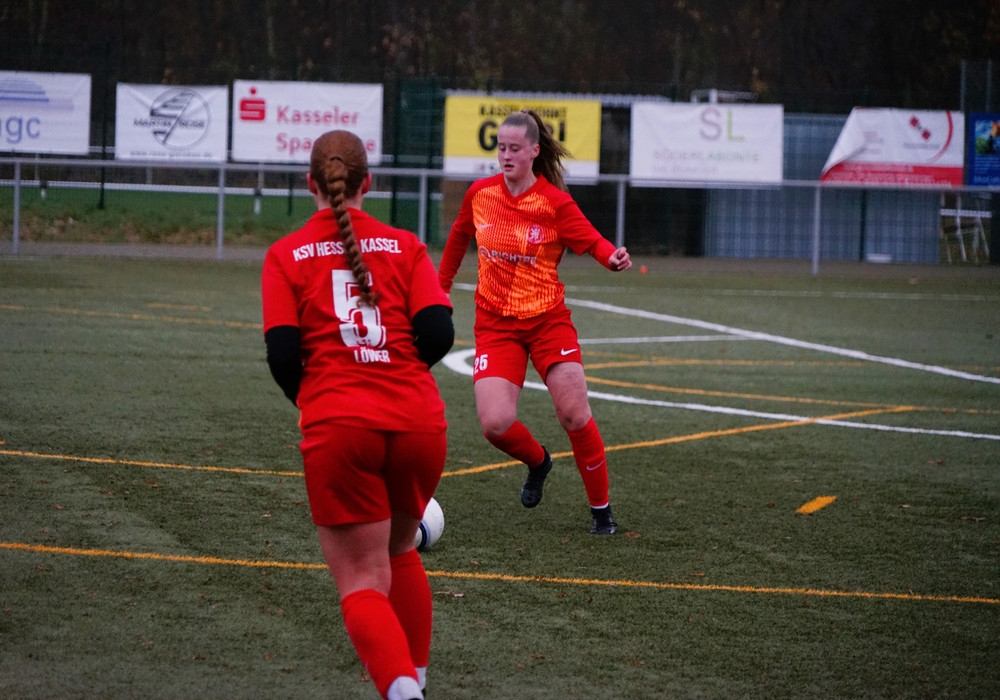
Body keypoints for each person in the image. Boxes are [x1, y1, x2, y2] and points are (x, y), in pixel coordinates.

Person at [261, 130, 454, 700]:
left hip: (341, 423)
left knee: (362, 578)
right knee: (400, 550)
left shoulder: (286, 254)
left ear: (310, 184)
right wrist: (395, 373)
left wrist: (320, 400)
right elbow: (438, 332)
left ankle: (403, 692)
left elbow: (283, 356)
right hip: (419, 420)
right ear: (369, 182)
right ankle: (416, 681)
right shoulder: (406, 245)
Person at [437, 108, 631, 535]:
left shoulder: (554, 203)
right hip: (495, 324)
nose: (506, 155)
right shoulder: (480, 194)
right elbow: (459, 236)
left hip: (547, 322)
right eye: (501, 148)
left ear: (533, 152)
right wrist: (440, 288)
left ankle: (602, 512)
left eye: (514, 148)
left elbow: (592, 240)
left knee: (574, 414)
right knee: (495, 424)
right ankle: (539, 462)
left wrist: (612, 257)